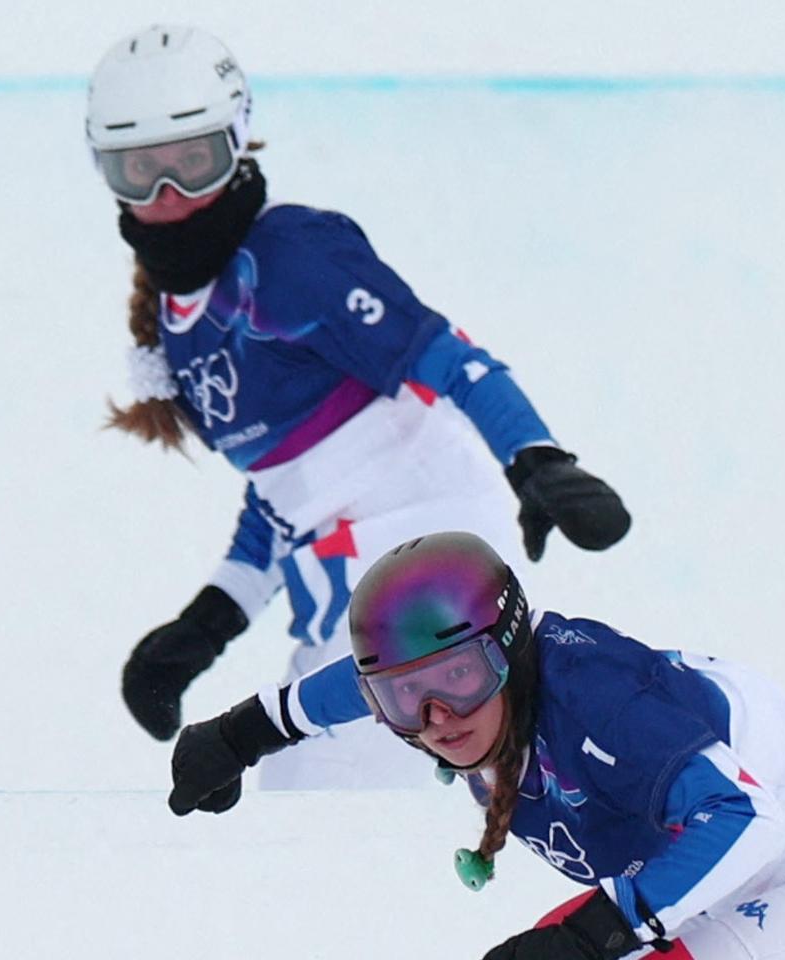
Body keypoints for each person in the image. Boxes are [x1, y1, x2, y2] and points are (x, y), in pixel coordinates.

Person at [84, 26, 630, 788]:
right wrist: (204, 627)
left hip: (419, 555)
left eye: (192, 163)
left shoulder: (293, 261)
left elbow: (446, 357)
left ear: (238, 141)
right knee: (308, 791)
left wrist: (537, 459)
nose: (167, 197)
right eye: (140, 171)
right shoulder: (180, 332)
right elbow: (284, 494)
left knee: (338, 793)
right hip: (339, 584)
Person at [166, 532, 785, 960]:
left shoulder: (600, 708)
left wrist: (597, 934)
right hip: (777, 882)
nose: (436, 718)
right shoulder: (473, 694)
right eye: (404, 700)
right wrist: (246, 732)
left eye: (457, 680)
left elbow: (748, 818)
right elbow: (357, 682)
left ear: (510, 648)